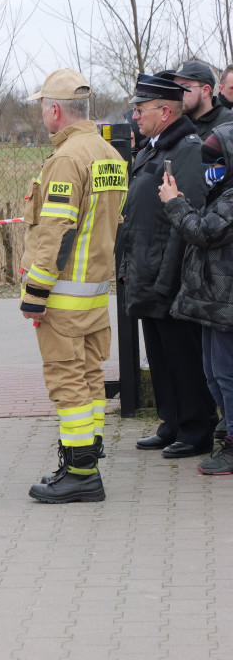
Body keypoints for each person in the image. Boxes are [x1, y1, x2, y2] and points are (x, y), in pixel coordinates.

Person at [17, 69, 127, 503]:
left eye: (43, 106)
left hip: (63, 297)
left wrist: (35, 293)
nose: (43, 114)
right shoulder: (109, 155)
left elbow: (57, 231)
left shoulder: (67, 159)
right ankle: (86, 459)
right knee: (90, 378)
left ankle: (81, 472)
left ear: (55, 110)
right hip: (95, 294)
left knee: (68, 382)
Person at [120, 74, 216, 457]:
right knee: (159, 354)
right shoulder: (150, 148)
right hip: (147, 269)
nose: (135, 116)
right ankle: (171, 421)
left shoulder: (189, 151)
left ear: (165, 111)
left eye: (140, 109)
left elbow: (185, 215)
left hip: (170, 274)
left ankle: (195, 429)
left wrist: (167, 276)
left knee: (183, 355)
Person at [160, 124, 233, 474]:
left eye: (217, 162)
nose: (210, 171)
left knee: (225, 375)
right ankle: (226, 432)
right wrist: (185, 203)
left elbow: (205, 232)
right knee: (212, 373)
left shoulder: (232, 197)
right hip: (213, 303)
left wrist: (175, 205)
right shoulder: (224, 192)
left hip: (225, 304)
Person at [168, 61, 233, 141]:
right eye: (176, 88)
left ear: (205, 91)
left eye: (184, 87)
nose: (178, 93)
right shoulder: (173, 124)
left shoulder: (229, 124)